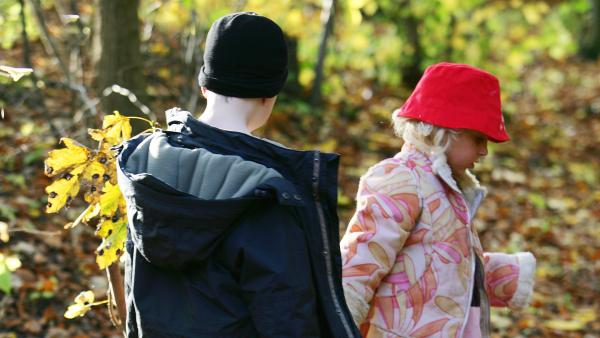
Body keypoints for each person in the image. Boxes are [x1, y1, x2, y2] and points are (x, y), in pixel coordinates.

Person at [116, 12, 359, 338]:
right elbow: (288, 319)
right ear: (269, 95)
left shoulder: (146, 164)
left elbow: (136, 292)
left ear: (204, 86)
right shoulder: (267, 196)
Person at [339, 62, 536, 337]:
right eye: (478, 139)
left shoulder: (446, 188)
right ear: (444, 131)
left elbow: (438, 261)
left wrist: (505, 274)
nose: (484, 151)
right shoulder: (401, 179)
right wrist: (338, 322)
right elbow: (362, 258)